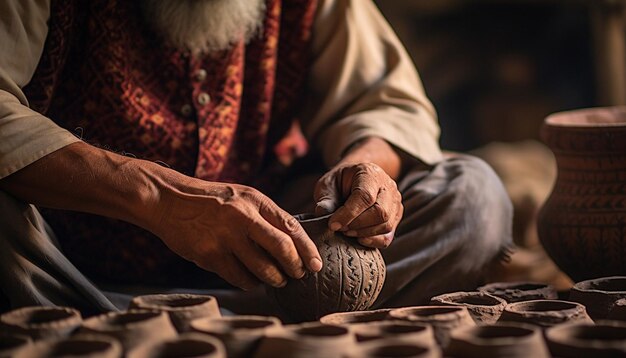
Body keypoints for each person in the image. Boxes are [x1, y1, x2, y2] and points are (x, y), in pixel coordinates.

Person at [0, 0, 513, 315]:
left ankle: (227, 320)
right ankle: (114, 317)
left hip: (270, 273)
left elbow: (384, 101)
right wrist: (161, 198)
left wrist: (366, 165)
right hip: (66, 265)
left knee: (474, 195)